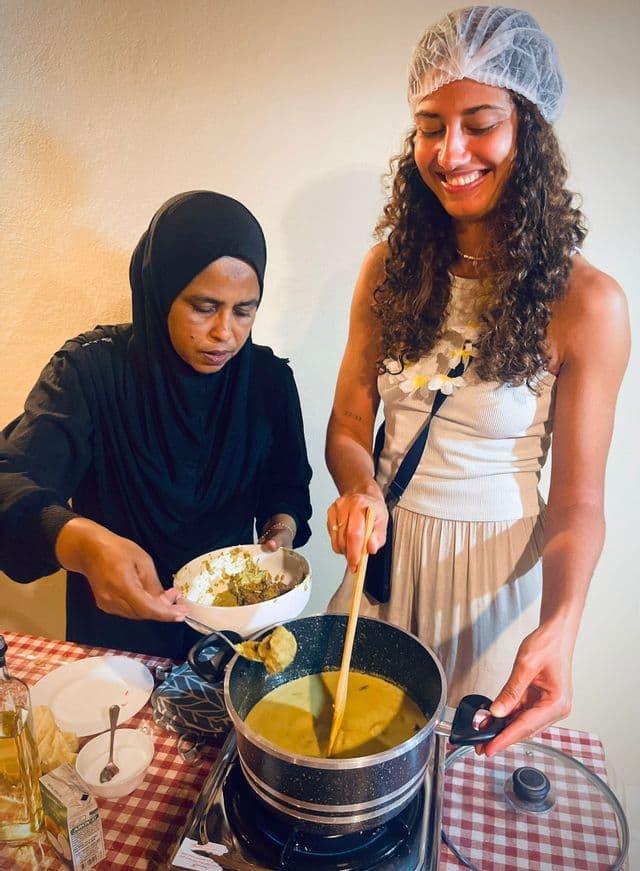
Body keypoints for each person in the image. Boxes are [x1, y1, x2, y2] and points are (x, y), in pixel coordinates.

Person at [325, 6, 629, 756]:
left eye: (479, 122)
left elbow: (580, 501)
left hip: (490, 589)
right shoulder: (386, 269)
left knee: (464, 803)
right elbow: (345, 427)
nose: (450, 150)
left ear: (529, 129)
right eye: (431, 125)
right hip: (380, 575)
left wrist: (559, 625)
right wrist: (360, 486)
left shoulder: (588, 303)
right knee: (347, 767)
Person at [0, 190, 312, 658]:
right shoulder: (89, 372)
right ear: (159, 292)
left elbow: (286, 487)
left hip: (229, 633)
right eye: (204, 306)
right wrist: (81, 542)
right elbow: (9, 481)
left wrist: (279, 534)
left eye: (244, 309)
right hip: (115, 641)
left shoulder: (267, 381)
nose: (224, 332)